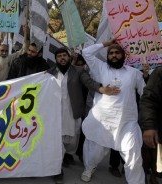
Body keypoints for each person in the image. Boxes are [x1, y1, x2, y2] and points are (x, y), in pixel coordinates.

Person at [80, 38, 146, 184]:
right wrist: (106, 44)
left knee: (133, 156)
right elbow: (86, 52)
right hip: (102, 121)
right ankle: (89, 168)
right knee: (94, 153)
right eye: (111, 53)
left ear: (123, 56)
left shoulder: (134, 73)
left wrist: (146, 75)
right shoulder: (100, 67)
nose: (114, 55)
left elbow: (145, 93)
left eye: (117, 53)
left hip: (126, 123)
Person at [47, 47, 116, 184]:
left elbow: (88, 82)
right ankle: (57, 169)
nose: (62, 58)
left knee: (71, 142)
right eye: (59, 56)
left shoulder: (78, 71)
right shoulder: (49, 73)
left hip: (73, 113)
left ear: (68, 57)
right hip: (55, 114)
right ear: (55, 59)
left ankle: (66, 155)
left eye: (64, 55)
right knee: (57, 141)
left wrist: (101, 88)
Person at [139, 66, 162, 184]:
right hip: (156, 125)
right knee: (149, 153)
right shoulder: (159, 72)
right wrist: (149, 126)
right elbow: (148, 100)